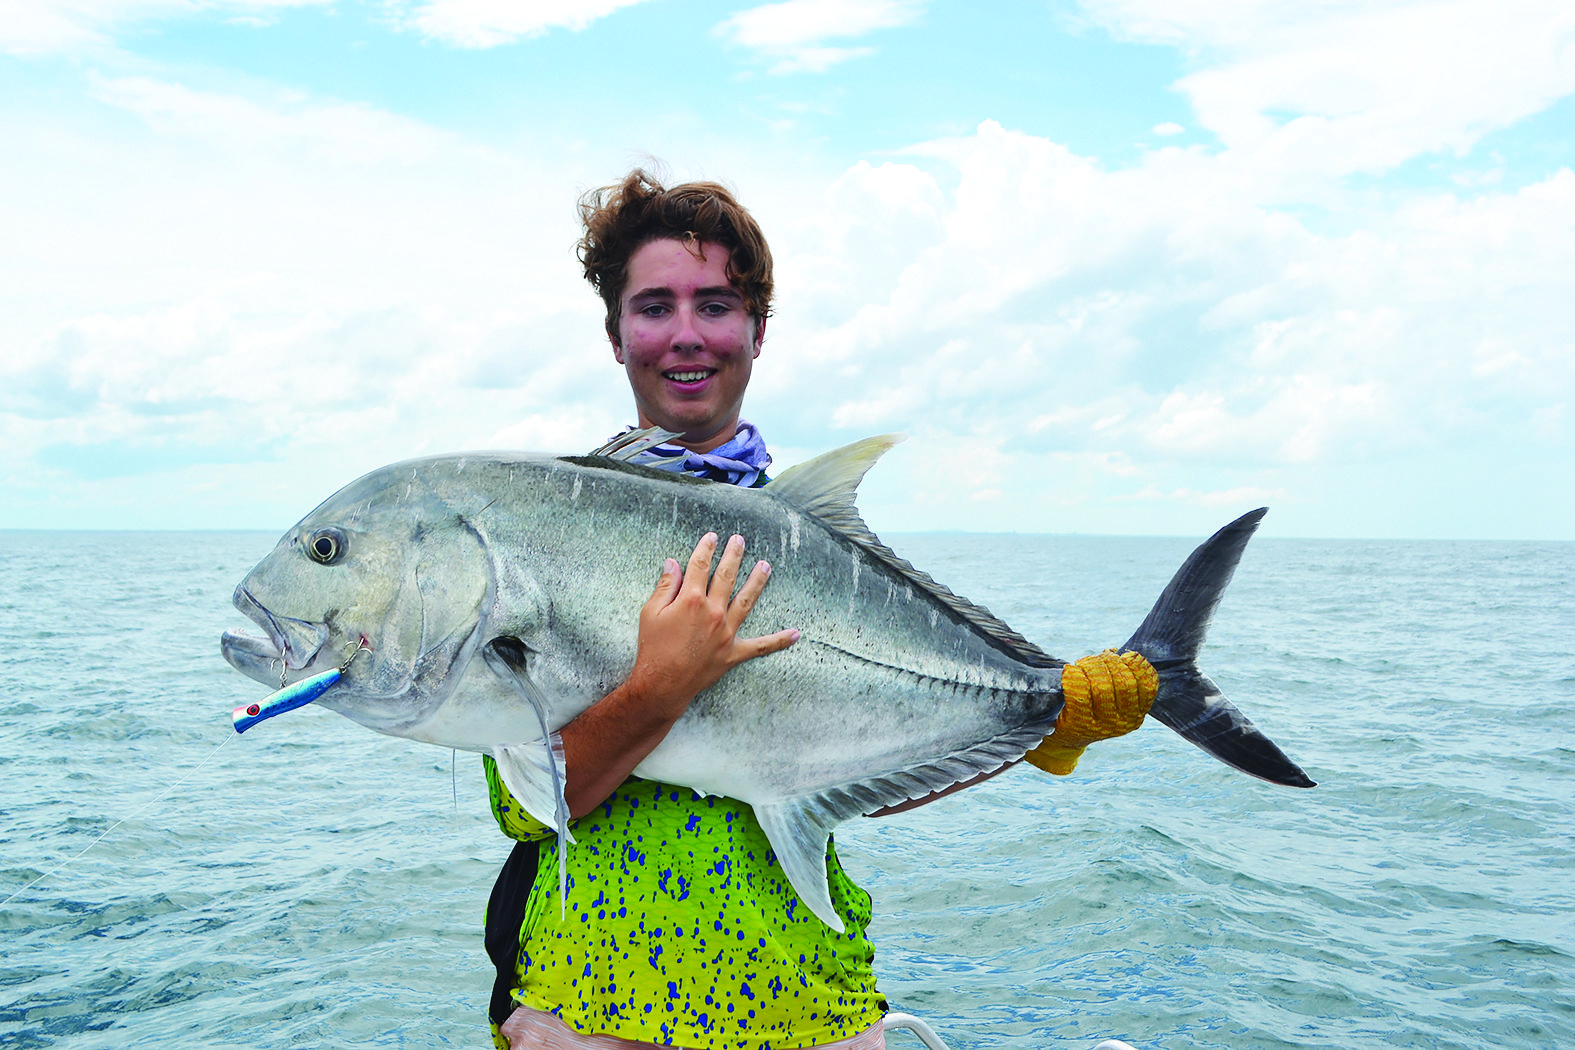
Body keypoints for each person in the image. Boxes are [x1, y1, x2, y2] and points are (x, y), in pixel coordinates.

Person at [482, 170, 1152, 1050]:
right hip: (589, 1014)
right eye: (653, 306)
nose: (686, 334)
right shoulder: (547, 526)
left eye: (716, 304)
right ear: (615, 336)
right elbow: (529, 806)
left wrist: (1042, 723)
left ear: (757, 331)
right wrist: (662, 682)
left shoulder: (808, 542)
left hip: (809, 1007)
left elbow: (862, 780)